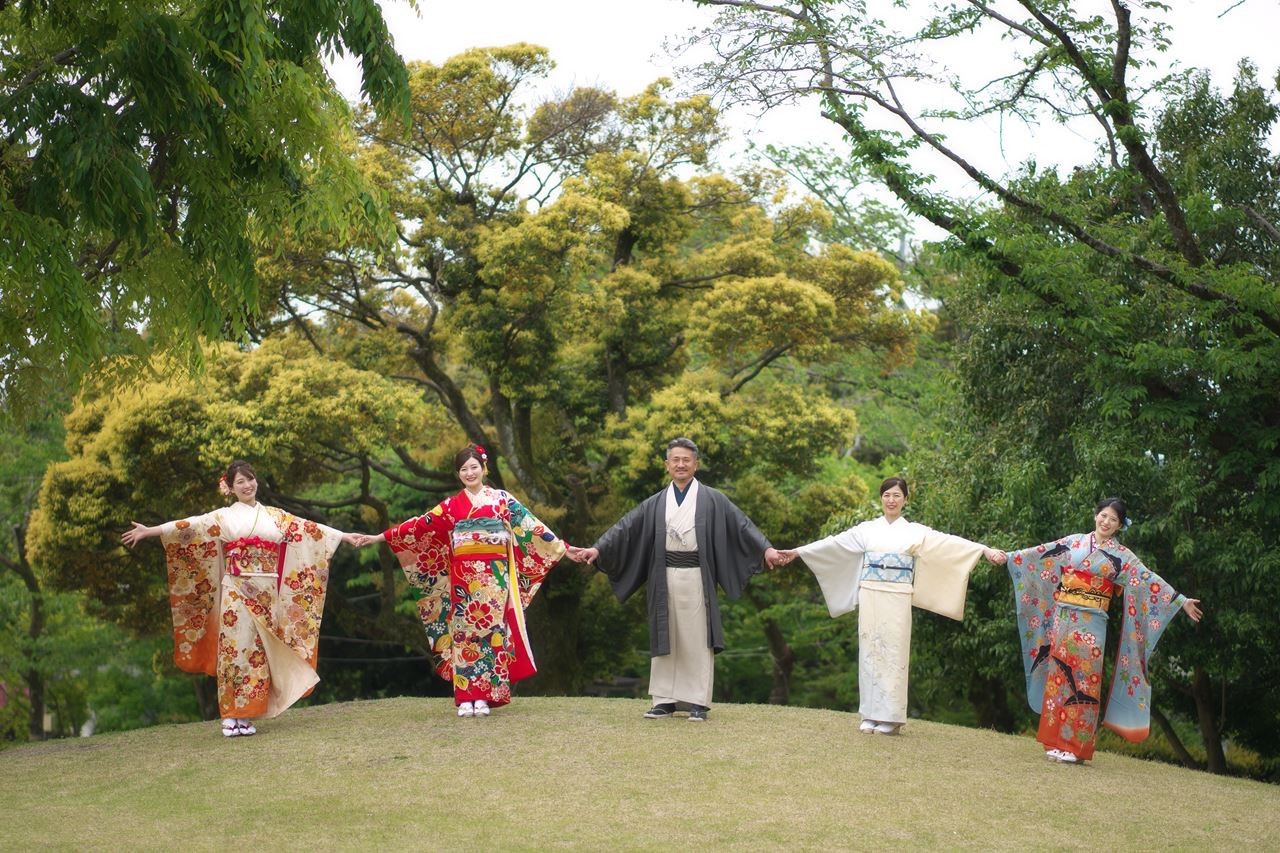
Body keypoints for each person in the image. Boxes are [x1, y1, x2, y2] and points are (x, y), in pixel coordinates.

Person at [121, 460, 362, 737]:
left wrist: (344, 536)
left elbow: (309, 529)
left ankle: (247, 714)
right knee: (235, 651)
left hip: (267, 593)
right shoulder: (224, 517)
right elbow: (190, 526)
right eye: (241, 482)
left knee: (258, 654)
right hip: (237, 589)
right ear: (231, 488)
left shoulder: (274, 516)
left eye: (250, 479)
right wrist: (150, 531)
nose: (248, 486)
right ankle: (229, 716)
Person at [567, 438, 780, 722]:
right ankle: (663, 700)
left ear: (696, 464)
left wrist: (766, 549)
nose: (681, 464)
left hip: (697, 576)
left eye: (686, 460)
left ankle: (698, 702)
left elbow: (741, 524)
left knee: (697, 637)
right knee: (665, 635)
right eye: (675, 460)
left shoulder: (713, 499)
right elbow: (625, 527)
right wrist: (598, 548)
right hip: (663, 575)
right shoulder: (655, 502)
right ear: (667, 465)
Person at [773, 477, 1004, 734]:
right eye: (887, 495)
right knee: (870, 650)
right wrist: (798, 552)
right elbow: (834, 543)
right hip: (871, 592)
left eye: (896, 495)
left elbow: (948, 542)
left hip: (898, 595)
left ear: (905, 499)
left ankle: (891, 717)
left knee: (893, 651)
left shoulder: (915, 531)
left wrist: (984, 550)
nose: (891, 500)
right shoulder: (867, 530)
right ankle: (870, 713)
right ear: (881, 498)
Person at [355, 445, 566, 717]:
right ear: (458, 474)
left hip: (494, 576)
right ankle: (466, 696)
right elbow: (421, 525)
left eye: (473, 467)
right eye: (463, 469)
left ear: (484, 468)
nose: (469, 473)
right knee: (464, 634)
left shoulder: (502, 500)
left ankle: (487, 697)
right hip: (463, 577)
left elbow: (532, 527)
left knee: (492, 633)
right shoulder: (452, 506)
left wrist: (562, 547)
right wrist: (379, 537)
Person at [1005, 498, 1202, 764]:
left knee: (1084, 681)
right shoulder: (1073, 542)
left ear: (1119, 526)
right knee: (1060, 677)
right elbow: (1038, 555)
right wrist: (1006, 557)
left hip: (1092, 622)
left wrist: (1180, 600)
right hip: (1064, 619)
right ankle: (1055, 740)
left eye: (1113, 520)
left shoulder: (1123, 557)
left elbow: (1148, 579)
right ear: (1096, 515)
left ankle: (1076, 746)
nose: (1106, 522)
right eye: (1103, 515)